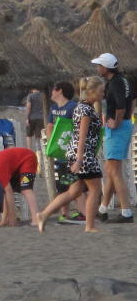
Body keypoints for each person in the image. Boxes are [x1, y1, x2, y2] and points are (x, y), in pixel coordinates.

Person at [37, 75, 106, 234]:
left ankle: (44, 214)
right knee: (95, 189)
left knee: (73, 192)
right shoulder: (85, 109)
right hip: (84, 155)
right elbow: (82, 135)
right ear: (91, 91)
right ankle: (90, 226)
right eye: (101, 91)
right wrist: (80, 159)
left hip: (76, 153)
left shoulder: (81, 107)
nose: (103, 94)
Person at [91, 53, 133, 223]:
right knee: (110, 170)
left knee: (115, 172)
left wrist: (116, 122)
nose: (97, 68)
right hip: (123, 125)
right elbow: (131, 101)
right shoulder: (123, 80)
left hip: (118, 128)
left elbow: (121, 106)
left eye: (99, 65)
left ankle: (126, 212)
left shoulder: (115, 83)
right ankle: (103, 209)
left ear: (106, 68)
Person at [48, 80, 84, 223]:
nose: (51, 92)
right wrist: (52, 145)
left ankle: (83, 213)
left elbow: (80, 127)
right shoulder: (53, 108)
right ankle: (65, 214)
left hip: (73, 152)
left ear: (60, 91)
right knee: (63, 183)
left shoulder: (73, 107)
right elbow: (50, 126)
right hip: (60, 152)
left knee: (74, 184)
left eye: (53, 89)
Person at [0, 146, 41, 226]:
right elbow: (2, 192)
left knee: (26, 189)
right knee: (5, 191)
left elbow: (9, 192)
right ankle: (4, 219)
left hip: (28, 158)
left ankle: (36, 219)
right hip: (16, 165)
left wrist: (13, 219)